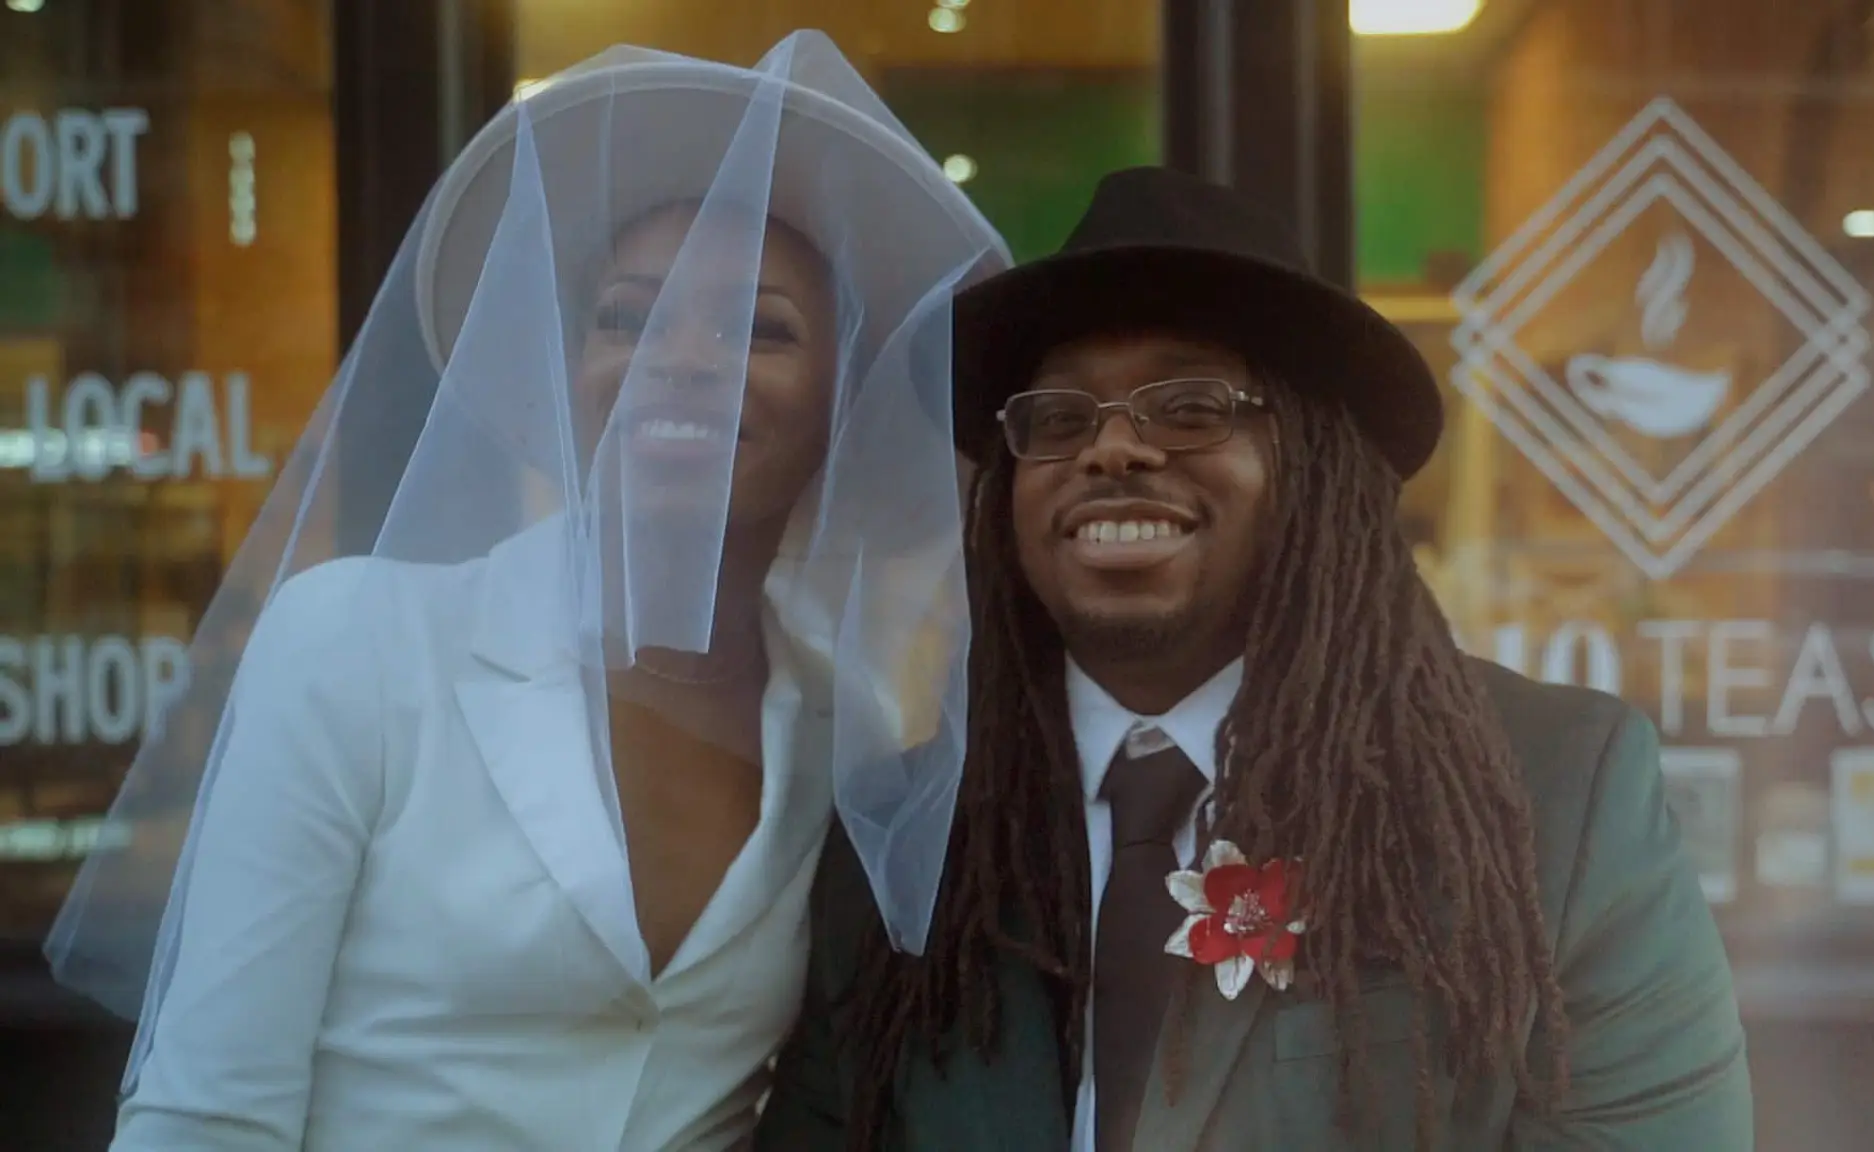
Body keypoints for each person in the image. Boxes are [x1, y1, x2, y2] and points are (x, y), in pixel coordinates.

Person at [44, 32, 1003, 1151]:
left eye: (759, 328)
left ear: (845, 401)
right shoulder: (356, 647)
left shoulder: (847, 729)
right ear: (567, 366)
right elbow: (206, 1113)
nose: (680, 358)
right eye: (627, 316)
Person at [756, 166, 1753, 1151]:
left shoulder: (1557, 796)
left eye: (1190, 408)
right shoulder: (902, 837)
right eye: (1057, 419)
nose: (1111, 448)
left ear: (1317, 468)